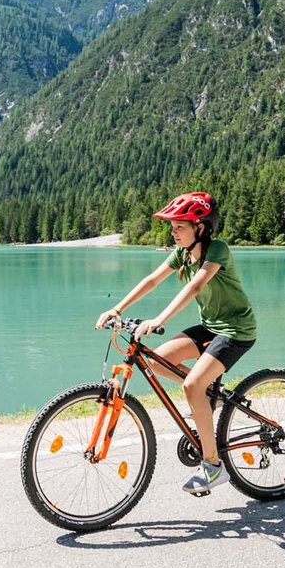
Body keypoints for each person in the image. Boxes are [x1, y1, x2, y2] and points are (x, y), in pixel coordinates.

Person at [95, 192, 258, 495]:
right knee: (156, 361)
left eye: (179, 226)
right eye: (172, 226)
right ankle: (212, 394)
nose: (173, 231)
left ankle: (213, 466)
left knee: (191, 387)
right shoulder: (183, 253)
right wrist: (118, 308)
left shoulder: (217, 249)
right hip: (211, 327)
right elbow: (152, 280)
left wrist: (159, 319)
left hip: (236, 330)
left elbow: (196, 286)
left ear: (201, 227)